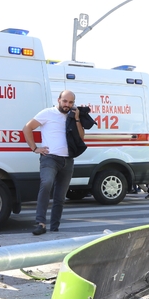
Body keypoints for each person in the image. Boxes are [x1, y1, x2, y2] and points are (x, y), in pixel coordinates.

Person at [23, 90, 89, 235]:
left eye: (71, 102)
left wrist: (77, 118)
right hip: (50, 158)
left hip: (68, 160)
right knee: (46, 184)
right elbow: (27, 128)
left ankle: (54, 227)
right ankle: (40, 223)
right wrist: (35, 148)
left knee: (60, 196)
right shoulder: (47, 113)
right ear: (59, 100)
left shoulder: (72, 116)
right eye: (65, 101)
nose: (67, 105)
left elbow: (81, 137)